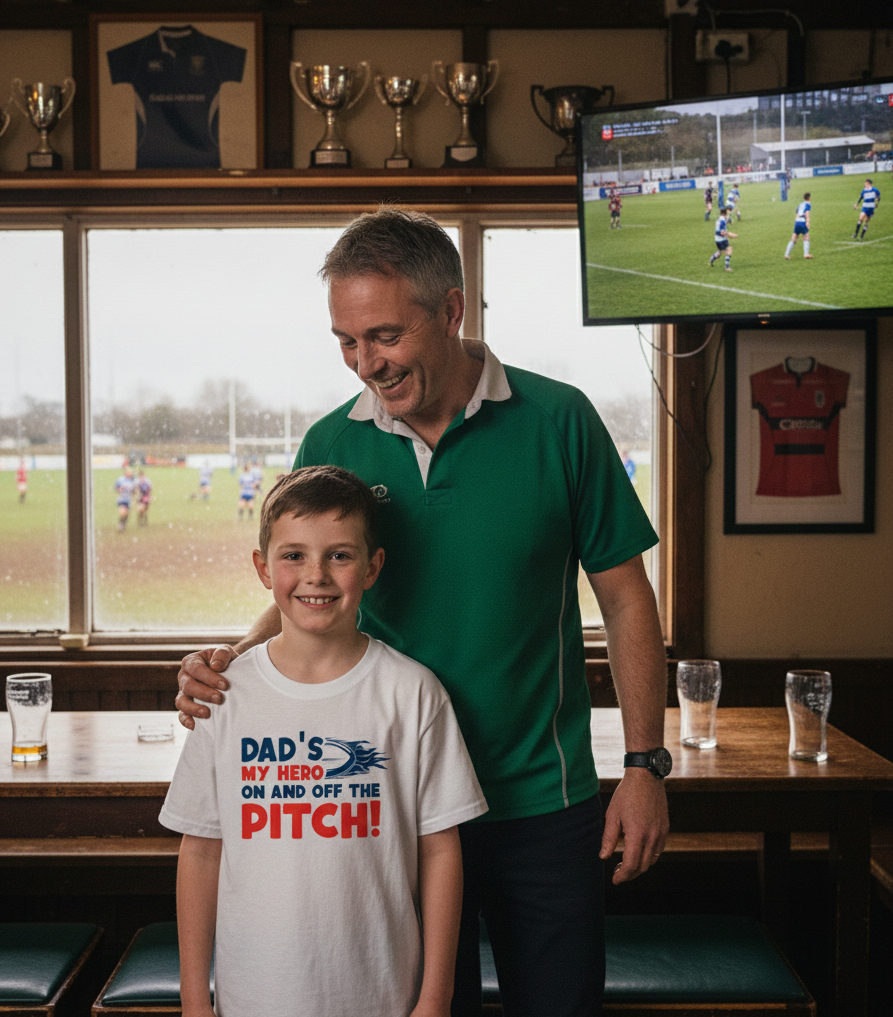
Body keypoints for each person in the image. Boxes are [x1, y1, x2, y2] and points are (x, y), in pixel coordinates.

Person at [178, 207, 670, 1016]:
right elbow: (311, 593)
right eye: (345, 341)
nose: (365, 363)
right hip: (388, 808)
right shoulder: (332, 441)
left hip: (540, 802)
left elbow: (624, 597)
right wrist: (232, 657)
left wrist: (646, 765)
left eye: (384, 335)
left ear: (451, 310)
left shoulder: (561, 420)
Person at [162, 465, 486, 1017]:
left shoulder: (412, 693)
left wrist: (436, 996)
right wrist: (196, 1003)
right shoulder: (224, 694)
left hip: (383, 994)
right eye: (293, 556)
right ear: (264, 569)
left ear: (372, 566)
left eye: (339, 555)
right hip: (254, 997)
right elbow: (200, 852)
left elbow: (440, 850)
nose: (316, 575)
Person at [784, 193, 813, 260]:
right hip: (803, 221)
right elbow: (807, 213)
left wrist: (796, 221)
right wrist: (808, 223)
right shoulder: (808, 204)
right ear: (809, 198)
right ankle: (806, 254)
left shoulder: (801, 204)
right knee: (806, 236)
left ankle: (786, 254)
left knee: (794, 237)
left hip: (797, 221)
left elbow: (797, 213)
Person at [708, 206, 737, 271]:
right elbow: (721, 232)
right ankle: (727, 267)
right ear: (725, 213)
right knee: (729, 249)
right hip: (721, 239)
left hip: (717, 238)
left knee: (720, 251)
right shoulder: (723, 220)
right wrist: (731, 234)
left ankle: (712, 259)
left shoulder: (720, 219)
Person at [114, 467, 134, 532]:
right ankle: (120, 525)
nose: (129, 474)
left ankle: (123, 525)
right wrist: (119, 489)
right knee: (122, 512)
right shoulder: (120, 479)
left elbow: (134, 490)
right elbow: (116, 488)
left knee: (127, 514)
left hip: (128, 499)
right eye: (128, 473)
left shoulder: (132, 481)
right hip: (122, 499)